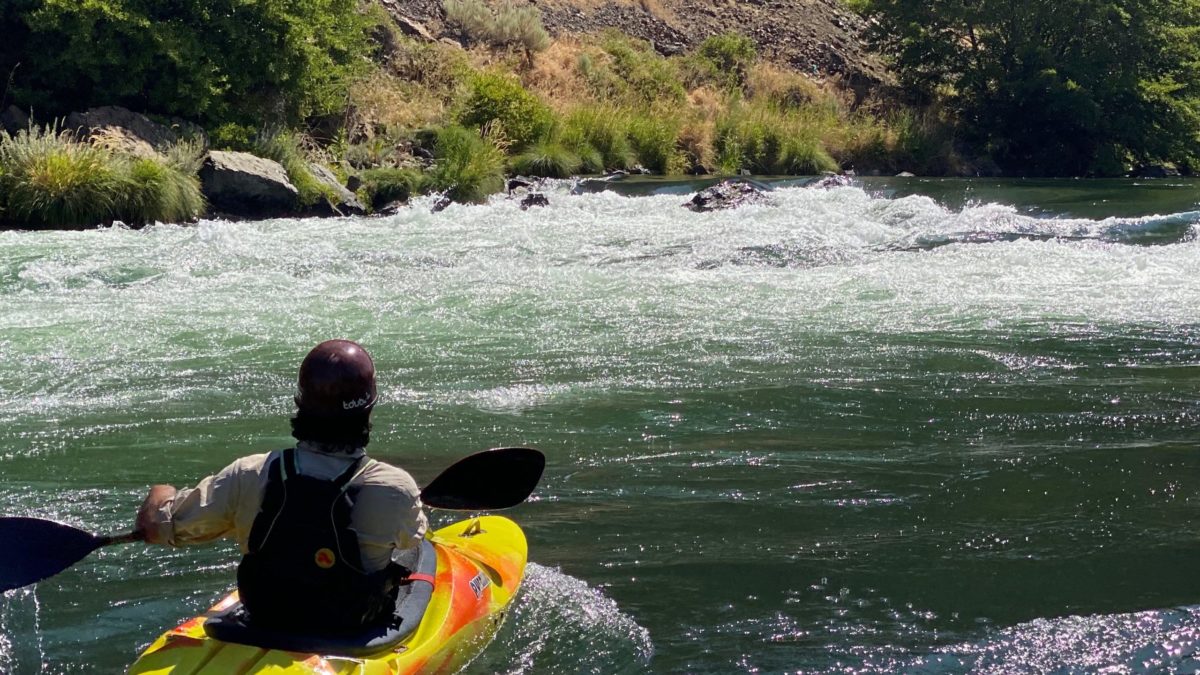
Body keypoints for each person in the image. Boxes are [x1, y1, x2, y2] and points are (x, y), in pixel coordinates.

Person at [136, 339, 428, 633]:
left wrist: (161, 494)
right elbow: (412, 540)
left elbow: (161, 525)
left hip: (268, 615)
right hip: (347, 624)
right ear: (367, 410)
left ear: (301, 404)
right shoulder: (395, 487)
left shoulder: (248, 473)